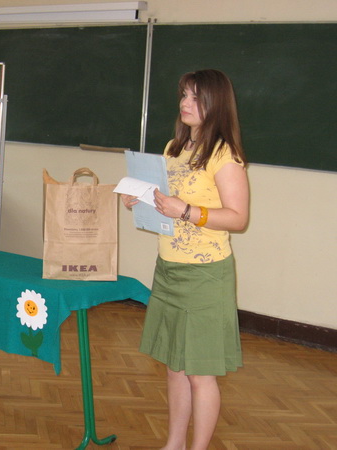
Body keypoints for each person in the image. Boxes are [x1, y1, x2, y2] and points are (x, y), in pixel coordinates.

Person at [121, 69, 249, 449]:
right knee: (175, 366)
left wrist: (187, 211)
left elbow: (238, 218)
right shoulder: (174, 148)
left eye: (195, 97)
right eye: (183, 95)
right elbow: (168, 202)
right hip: (169, 269)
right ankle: (173, 444)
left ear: (215, 103)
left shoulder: (224, 155)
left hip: (206, 275)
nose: (184, 103)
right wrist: (142, 198)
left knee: (200, 373)